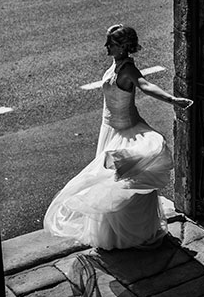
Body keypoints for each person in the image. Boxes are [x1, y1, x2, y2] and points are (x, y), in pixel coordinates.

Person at [44, 25, 193, 250]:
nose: (107, 47)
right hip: (110, 129)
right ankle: (111, 234)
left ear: (123, 47)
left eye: (111, 43)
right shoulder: (116, 64)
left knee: (119, 185)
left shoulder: (128, 70)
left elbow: (146, 86)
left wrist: (174, 100)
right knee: (111, 183)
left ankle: (130, 234)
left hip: (125, 132)